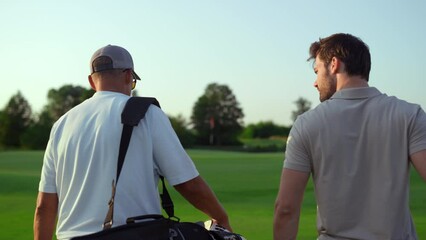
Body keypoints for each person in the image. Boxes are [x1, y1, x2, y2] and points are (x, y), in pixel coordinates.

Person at [34, 45, 232, 240]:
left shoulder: (61, 125)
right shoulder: (148, 114)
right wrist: (221, 219)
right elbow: (188, 184)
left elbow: (44, 207)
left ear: (91, 82)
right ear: (129, 75)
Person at [273, 33, 426, 239]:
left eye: (317, 70)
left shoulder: (306, 124)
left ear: (334, 64)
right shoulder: (410, 115)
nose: (315, 83)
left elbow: (286, 209)